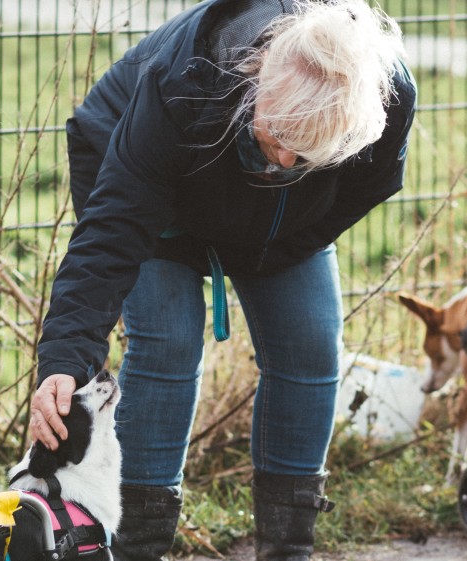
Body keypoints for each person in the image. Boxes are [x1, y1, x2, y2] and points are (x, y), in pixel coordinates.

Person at [30, 0, 416, 559]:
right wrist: (64, 357)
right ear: (258, 81)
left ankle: (288, 549)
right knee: (168, 339)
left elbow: (371, 186)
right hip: (154, 191)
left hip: (275, 222)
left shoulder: (385, 98)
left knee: (308, 343)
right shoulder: (185, 84)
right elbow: (111, 231)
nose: (281, 159)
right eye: (276, 135)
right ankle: (138, 546)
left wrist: (275, 247)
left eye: (302, 152)